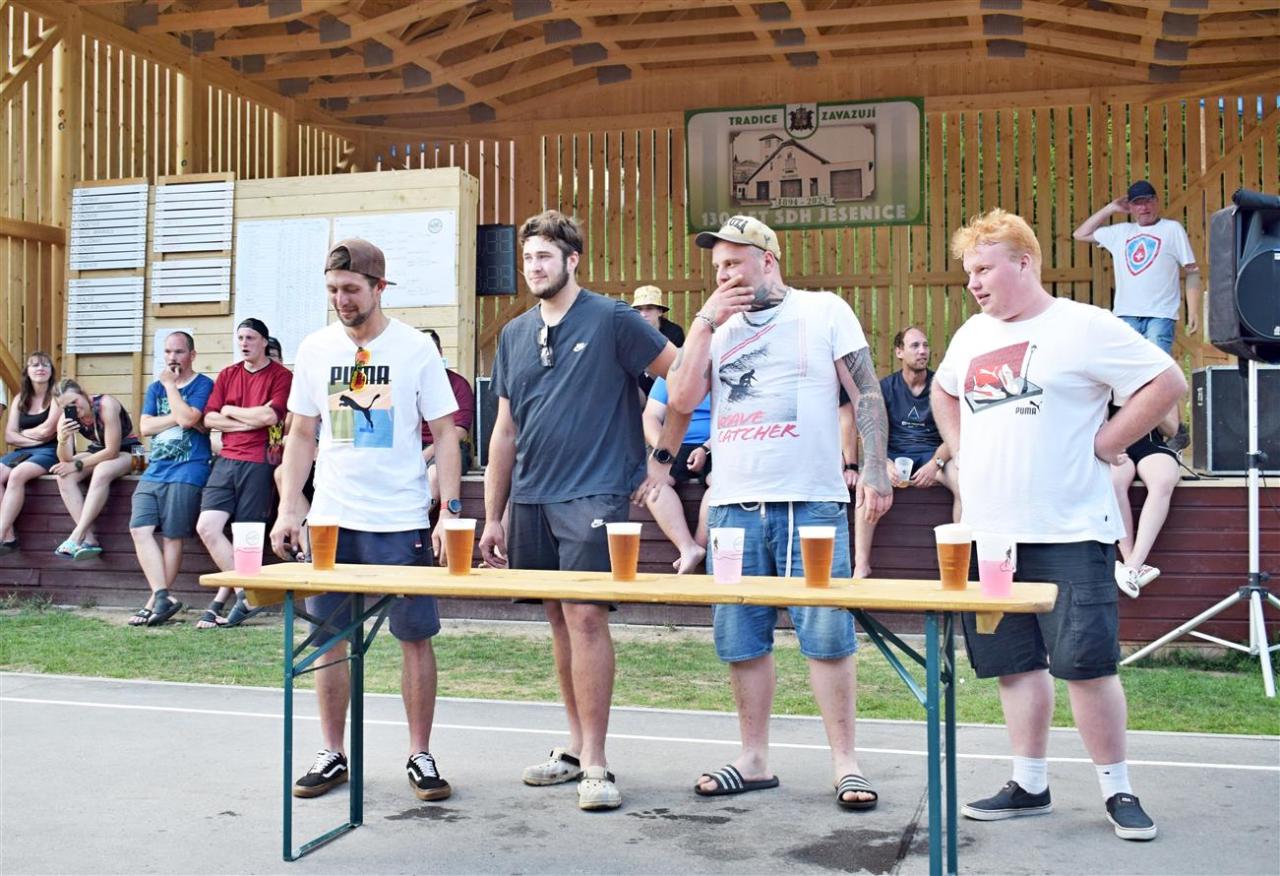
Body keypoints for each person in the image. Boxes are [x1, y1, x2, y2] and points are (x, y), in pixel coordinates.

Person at [934, 208, 1185, 841]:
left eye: (983, 269)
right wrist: (962, 448)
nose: (973, 282)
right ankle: (1029, 784)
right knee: (1014, 664)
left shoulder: (1083, 325)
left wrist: (1109, 442)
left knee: (1087, 665)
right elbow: (944, 390)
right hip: (991, 535)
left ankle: (1118, 790)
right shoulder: (970, 334)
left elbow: (1167, 381)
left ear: (1024, 263)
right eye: (969, 272)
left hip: (1071, 529)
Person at [659, 215, 893, 810]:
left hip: (811, 500)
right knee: (740, 637)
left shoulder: (823, 310)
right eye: (717, 267)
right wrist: (705, 320)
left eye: (734, 263)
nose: (723, 275)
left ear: (768, 260)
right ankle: (754, 759)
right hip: (732, 505)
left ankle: (846, 763)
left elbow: (866, 390)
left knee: (828, 635)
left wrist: (872, 467)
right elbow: (681, 399)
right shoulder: (715, 328)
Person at [479, 210, 676, 812]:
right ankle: (573, 747)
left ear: (573, 260)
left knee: (586, 617)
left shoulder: (613, 318)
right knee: (559, 621)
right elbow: (504, 431)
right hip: (531, 498)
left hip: (595, 492)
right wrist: (493, 515)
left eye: (545, 256)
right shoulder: (514, 334)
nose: (534, 267)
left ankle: (597, 761)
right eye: (527, 257)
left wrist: (661, 458)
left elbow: (681, 376)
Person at [271, 238, 462, 803]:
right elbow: (301, 433)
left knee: (414, 638)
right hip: (332, 519)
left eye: (351, 289)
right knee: (329, 639)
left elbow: (446, 433)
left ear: (379, 288)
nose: (342, 300)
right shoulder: (315, 348)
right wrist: (289, 506)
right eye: (333, 290)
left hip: (400, 518)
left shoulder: (415, 349)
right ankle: (332, 752)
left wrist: (449, 511)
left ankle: (420, 753)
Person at [1072, 179, 1199, 450]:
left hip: (1160, 314)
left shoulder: (1171, 229)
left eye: (1148, 201)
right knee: (1126, 375)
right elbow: (1080, 234)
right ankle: (1140, 433)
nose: (1144, 208)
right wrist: (1110, 208)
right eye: (1137, 203)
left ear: (1157, 201)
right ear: (1129, 207)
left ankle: (1175, 431)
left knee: (1159, 372)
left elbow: (1192, 271)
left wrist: (1194, 310)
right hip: (1126, 315)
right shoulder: (1120, 232)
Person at [195, 318, 292, 628]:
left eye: (250, 338)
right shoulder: (228, 374)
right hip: (226, 459)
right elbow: (209, 419)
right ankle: (246, 594)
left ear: (264, 341)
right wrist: (247, 421)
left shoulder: (281, 376)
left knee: (246, 536)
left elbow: (270, 416)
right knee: (207, 527)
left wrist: (230, 411)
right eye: (240, 338)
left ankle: (243, 598)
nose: (244, 343)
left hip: (260, 460)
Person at [852, 326, 961, 578]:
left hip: (933, 455)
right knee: (866, 482)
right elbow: (869, 431)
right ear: (899, 352)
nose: (923, 351)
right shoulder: (885, 387)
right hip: (893, 455)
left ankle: (958, 563)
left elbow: (956, 431)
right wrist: (882, 463)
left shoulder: (941, 387)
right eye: (915, 346)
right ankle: (861, 565)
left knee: (963, 483)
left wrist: (935, 464)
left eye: (925, 345)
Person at [127, 332, 215, 627]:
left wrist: (171, 389)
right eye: (167, 352)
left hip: (189, 468)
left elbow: (190, 419)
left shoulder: (203, 384)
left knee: (172, 535)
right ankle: (162, 595)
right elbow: (145, 427)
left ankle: (154, 602)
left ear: (192, 355)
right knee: (139, 528)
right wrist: (180, 416)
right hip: (155, 469)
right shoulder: (154, 388)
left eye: (178, 352)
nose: (172, 358)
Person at [51, 378, 141, 559]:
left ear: (84, 394)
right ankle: (89, 539)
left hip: (134, 453)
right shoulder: (65, 419)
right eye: (66, 406)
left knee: (101, 471)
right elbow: (65, 459)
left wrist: (77, 465)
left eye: (74, 401)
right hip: (98, 451)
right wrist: (62, 438)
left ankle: (77, 534)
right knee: (63, 475)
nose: (73, 408)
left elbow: (112, 451)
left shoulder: (106, 405)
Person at [641, 376, 711, 574]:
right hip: (673, 442)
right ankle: (687, 548)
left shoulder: (727, 368)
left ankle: (698, 547)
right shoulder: (673, 370)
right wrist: (664, 449)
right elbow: (650, 416)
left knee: (721, 483)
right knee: (649, 482)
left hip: (716, 442)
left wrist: (706, 448)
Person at [1110, 405, 1180, 597]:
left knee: (1163, 480)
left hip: (1151, 445)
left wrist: (1153, 400)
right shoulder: (1105, 385)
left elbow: (1171, 430)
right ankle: (1130, 562)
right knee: (1112, 481)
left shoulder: (1160, 384)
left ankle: (1131, 566)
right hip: (1113, 445)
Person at [0, 352, 60, 552]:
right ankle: (8, 536)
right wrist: (33, 438)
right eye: (34, 365)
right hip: (24, 450)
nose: (40, 368)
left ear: (51, 371)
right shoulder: (20, 398)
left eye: (45, 365)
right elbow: (9, 436)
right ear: (27, 371)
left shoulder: (57, 396)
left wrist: (23, 433)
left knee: (17, 475)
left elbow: (48, 431)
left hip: (51, 450)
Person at [419, 327, 475, 500]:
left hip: (450, 446)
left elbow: (460, 431)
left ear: (440, 352)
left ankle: (414, 517)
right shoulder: (404, 385)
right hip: (413, 447)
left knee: (436, 474)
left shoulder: (458, 384)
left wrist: (425, 454)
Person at [632, 285, 684, 396]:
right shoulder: (629, 333)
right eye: (639, 309)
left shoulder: (674, 333)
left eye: (649, 308)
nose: (643, 314)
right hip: (637, 393)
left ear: (660, 311)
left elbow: (677, 372)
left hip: (666, 391)